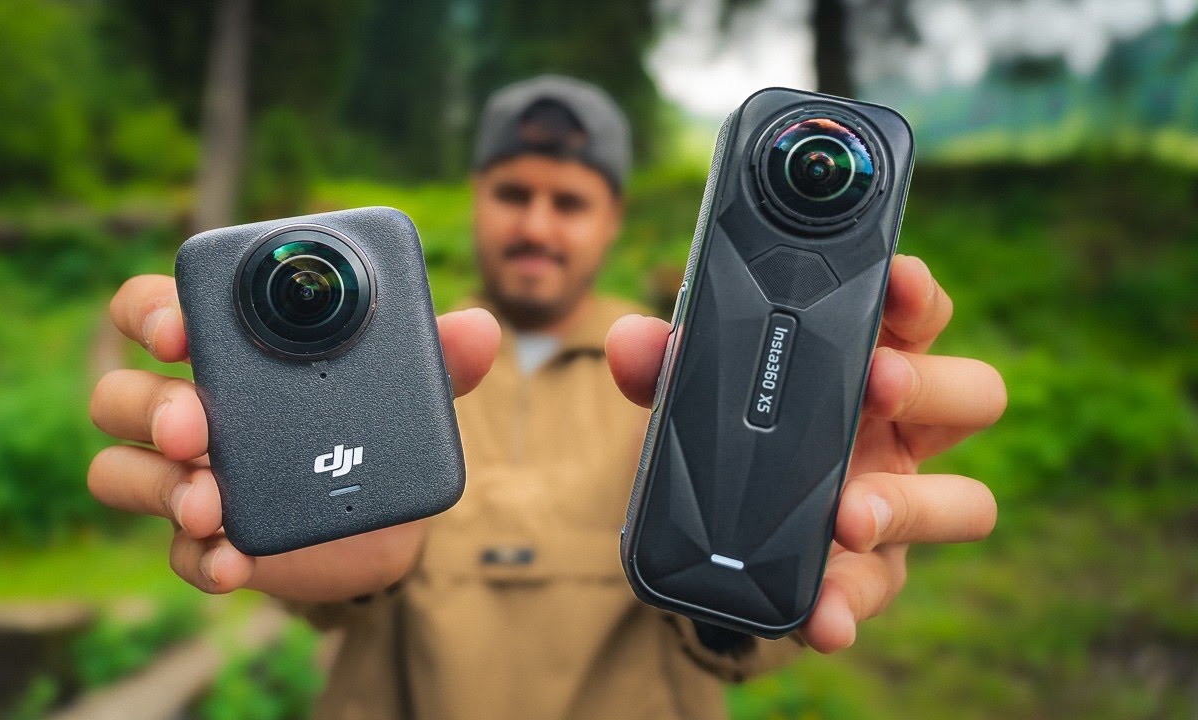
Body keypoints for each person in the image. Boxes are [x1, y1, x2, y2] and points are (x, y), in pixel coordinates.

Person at [88, 75, 1006, 720]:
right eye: (513, 192)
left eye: (569, 201)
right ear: (475, 196)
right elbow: (327, 584)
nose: (536, 224)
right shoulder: (387, 366)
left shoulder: (677, 375)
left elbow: (735, 639)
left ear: (613, 219)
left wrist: (810, 536)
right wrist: (305, 518)